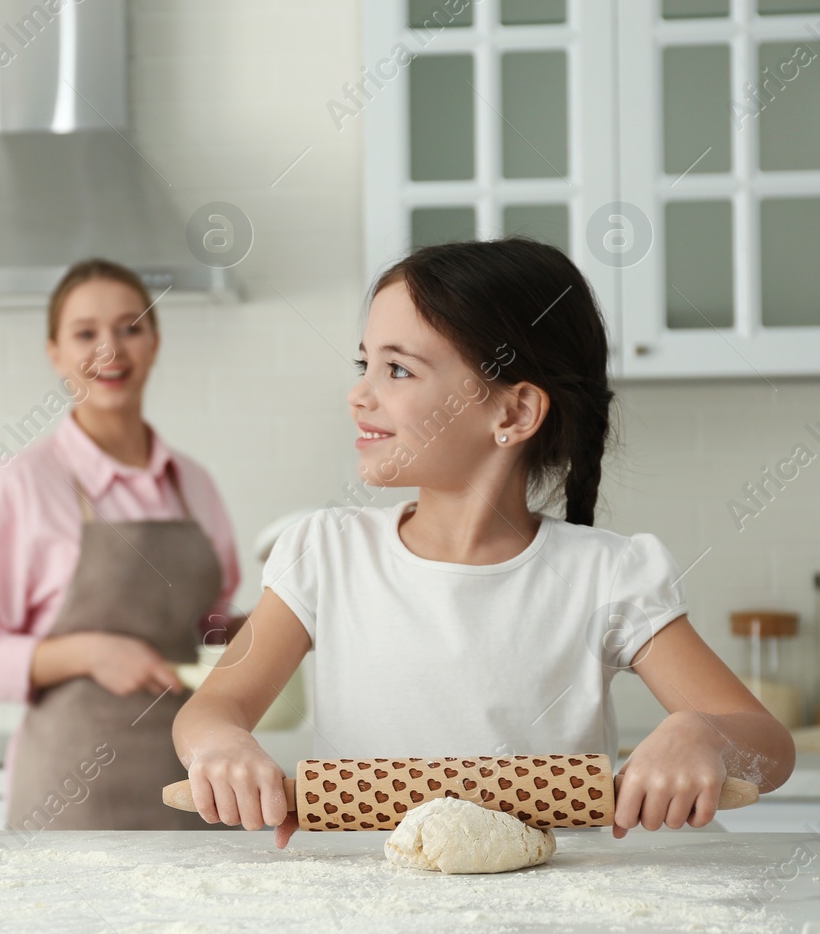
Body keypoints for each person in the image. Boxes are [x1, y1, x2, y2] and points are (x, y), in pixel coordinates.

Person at [173, 238, 796, 846]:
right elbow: (212, 708)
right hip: (367, 908)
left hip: (557, 912)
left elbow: (767, 746)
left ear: (513, 413)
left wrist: (704, 734)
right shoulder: (326, 554)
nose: (358, 393)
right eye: (365, 365)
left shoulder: (608, 575)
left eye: (397, 369)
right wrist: (220, 744)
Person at [0, 259, 241, 830]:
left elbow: (207, 629)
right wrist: (89, 653)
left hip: (193, 790)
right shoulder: (22, 484)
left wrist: (269, 626)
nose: (111, 349)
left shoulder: (193, 482)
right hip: (71, 801)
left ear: (155, 342)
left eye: (131, 327)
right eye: (85, 333)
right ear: (54, 352)